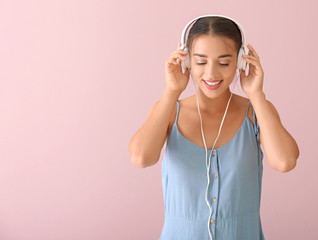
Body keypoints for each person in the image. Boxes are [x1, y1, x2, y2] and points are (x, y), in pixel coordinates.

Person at [128, 15, 299, 240]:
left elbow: (285, 162)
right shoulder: (169, 111)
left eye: (224, 62)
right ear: (187, 61)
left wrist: (256, 94)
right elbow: (141, 158)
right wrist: (171, 91)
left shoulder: (255, 112)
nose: (211, 73)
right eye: (200, 62)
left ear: (240, 62)